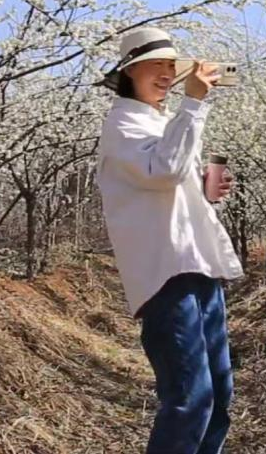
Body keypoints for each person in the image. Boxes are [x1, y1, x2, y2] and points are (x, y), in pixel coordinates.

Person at [96, 27, 244, 454]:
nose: (165, 74)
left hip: (198, 266)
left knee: (218, 395)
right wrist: (194, 101)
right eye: (155, 65)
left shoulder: (160, 121)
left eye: (171, 67)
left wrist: (205, 189)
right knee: (189, 399)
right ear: (128, 72)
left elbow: (171, 181)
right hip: (166, 275)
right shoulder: (122, 124)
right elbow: (164, 171)